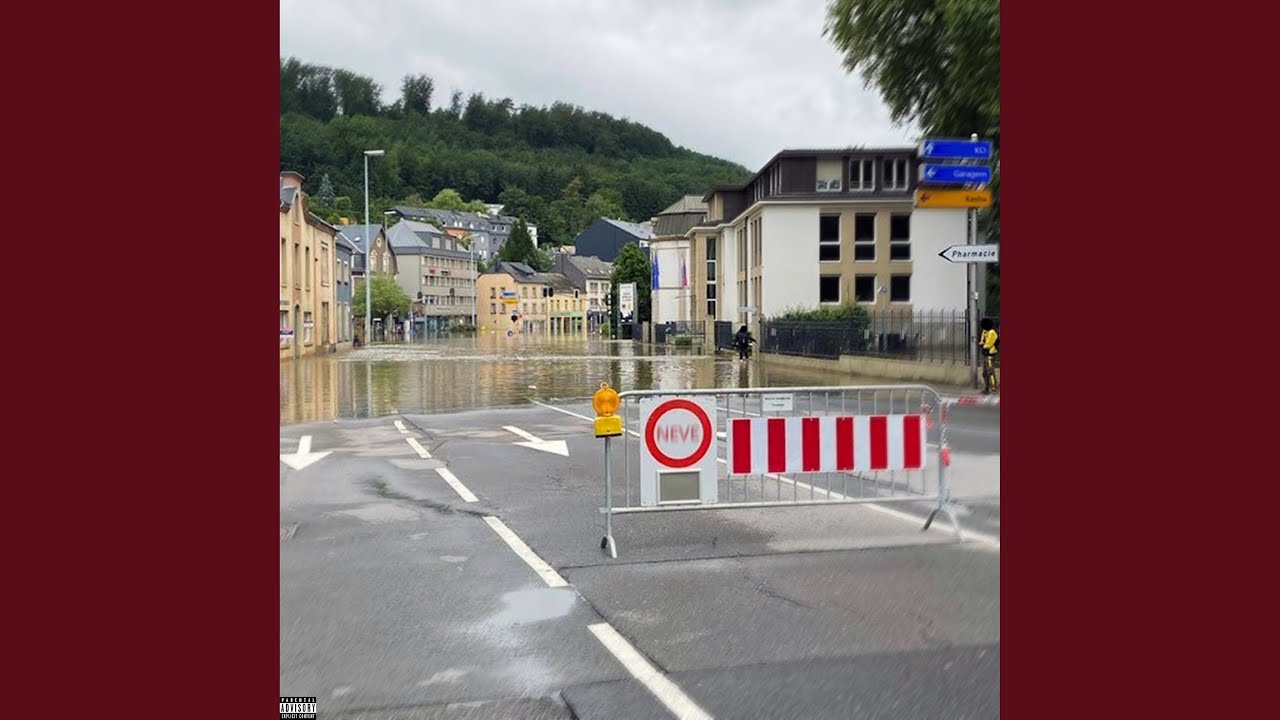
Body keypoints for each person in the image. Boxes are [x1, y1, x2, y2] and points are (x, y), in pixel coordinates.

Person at [979, 318, 999, 394]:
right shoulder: (985, 331)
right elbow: (982, 340)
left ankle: (994, 388)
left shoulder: (992, 332)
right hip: (986, 353)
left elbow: (989, 343)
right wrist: (981, 344)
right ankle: (986, 388)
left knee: (990, 371)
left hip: (990, 354)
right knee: (985, 372)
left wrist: (984, 346)